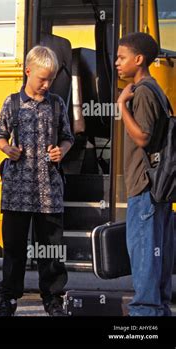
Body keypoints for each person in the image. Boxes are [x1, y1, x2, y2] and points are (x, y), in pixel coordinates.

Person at [0, 46, 74, 316]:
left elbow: (68, 137)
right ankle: (8, 298)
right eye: (42, 79)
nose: (46, 84)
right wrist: (7, 148)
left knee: (51, 249)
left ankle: (52, 298)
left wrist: (61, 150)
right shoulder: (12, 102)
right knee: (14, 249)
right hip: (16, 190)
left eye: (50, 79)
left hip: (49, 190)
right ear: (28, 71)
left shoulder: (57, 104)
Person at [115, 32, 174, 316]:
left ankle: (146, 318)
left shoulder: (143, 92)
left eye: (121, 57)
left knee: (144, 256)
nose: (117, 62)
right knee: (156, 254)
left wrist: (121, 106)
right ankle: (157, 311)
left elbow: (143, 137)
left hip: (145, 187)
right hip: (157, 187)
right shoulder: (156, 90)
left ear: (138, 60)